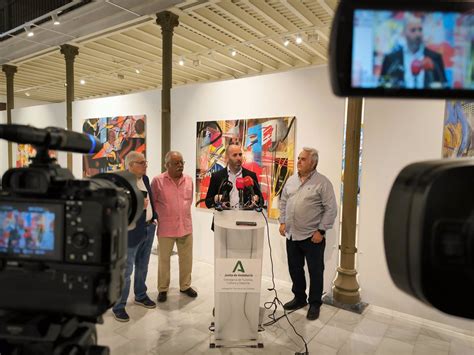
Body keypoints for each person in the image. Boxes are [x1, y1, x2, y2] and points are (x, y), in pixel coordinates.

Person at [279, 147, 337, 320]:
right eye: (298, 158)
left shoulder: (323, 182)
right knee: (295, 269)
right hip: (292, 235)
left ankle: (314, 303)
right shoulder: (291, 180)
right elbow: (283, 201)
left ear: (313, 163)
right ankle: (299, 298)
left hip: (313, 237)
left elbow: (331, 209)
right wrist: (282, 221)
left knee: (315, 271)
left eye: (303, 159)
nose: (299, 161)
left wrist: (321, 230)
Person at [112, 151, 157, 322]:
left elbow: (151, 199)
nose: (146, 165)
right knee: (126, 271)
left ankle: (140, 295)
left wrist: (154, 218)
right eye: (142, 162)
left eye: (145, 162)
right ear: (130, 166)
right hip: (130, 232)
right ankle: (118, 305)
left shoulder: (145, 179)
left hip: (148, 228)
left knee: (143, 265)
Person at [151, 151, 197, 303]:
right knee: (164, 260)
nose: (180, 165)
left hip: (185, 226)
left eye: (182, 162)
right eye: (176, 163)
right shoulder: (157, 181)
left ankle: (185, 286)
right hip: (166, 228)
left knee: (186, 259)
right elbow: (153, 203)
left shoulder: (189, 180)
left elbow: (189, 201)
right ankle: (163, 289)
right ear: (167, 165)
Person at [379, 13, 447, 89]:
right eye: (413, 30)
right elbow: (382, 87)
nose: (418, 34)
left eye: (420, 29)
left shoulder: (435, 58)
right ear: (404, 33)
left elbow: (444, 86)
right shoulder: (391, 59)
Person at [205, 144, 263, 211]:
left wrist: (257, 199)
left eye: (240, 154)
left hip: (245, 219)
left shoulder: (251, 176)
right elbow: (208, 202)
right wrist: (216, 198)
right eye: (235, 155)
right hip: (223, 219)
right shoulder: (217, 176)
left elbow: (261, 201)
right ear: (227, 158)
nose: (238, 158)